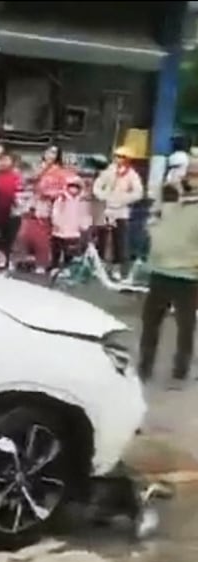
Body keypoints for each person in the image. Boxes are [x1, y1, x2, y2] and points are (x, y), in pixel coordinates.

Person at [138, 160, 198, 387]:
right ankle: (144, 367)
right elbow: (153, 218)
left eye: (196, 174)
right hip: (160, 270)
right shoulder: (170, 194)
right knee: (150, 323)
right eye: (190, 173)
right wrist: (153, 229)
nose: (191, 177)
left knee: (185, 325)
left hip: (187, 275)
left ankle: (180, 371)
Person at [92, 145, 144, 279]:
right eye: (116, 156)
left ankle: (117, 268)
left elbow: (138, 193)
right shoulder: (108, 171)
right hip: (107, 210)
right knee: (102, 238)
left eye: (121, 157)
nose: (118, 159)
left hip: (121, 211)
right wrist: (104, 196)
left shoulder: (132, 175)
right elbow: (97, 186)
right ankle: (101, 265)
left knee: (119, 240)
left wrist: (123, 199)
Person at [14, 145, 67, 274]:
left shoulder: (60, 172)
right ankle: (22, 260)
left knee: (42, 236)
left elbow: (63, 189)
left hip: (47, 205)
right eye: (49, 152)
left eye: (54, 153)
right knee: (24, 233)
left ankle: (42, 263)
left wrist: (49, 193)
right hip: (31, 202)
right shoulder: (37, 167)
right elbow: (25, 181)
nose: (50, 155)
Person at [0, 151, 23, 263]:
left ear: (12, 162)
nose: (3, 162)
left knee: (7, 245)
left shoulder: (16, 177)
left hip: (10, 217)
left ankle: (5, 265)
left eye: (6, 160)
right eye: (1, 160)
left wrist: (17, 205)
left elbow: (19, 196)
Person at [50, 175, 90, 270]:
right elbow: (55, 212)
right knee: (56, 251)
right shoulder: (62, 198)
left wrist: (84, 225)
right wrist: (57, 223)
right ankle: (55, 267)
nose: (73, 189)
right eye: (72, 186)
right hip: (59, 231)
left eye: (76, 187)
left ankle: (68, 269)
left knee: (70, 253)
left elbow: (85, 214)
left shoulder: (82, 200)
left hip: (74, 232)